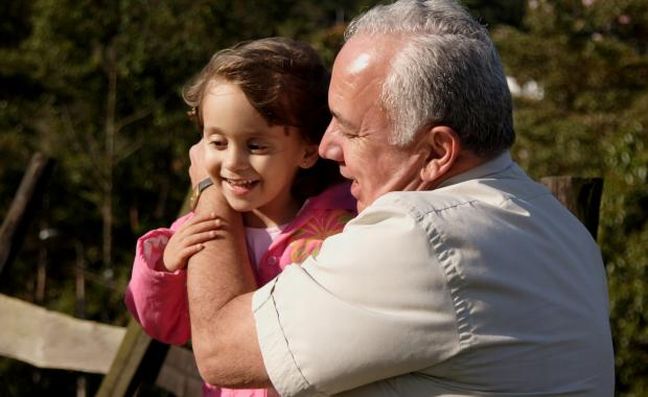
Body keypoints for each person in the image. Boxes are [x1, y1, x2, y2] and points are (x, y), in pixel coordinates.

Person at [184, 0, 615, 395]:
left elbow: (221, 351)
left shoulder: (421, 235)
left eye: (351, 130)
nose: (329, 147)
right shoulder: (558, 226)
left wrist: (208, 187)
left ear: (436, 152)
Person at [124, 37, 356, 397]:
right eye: (217, 143)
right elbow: (165, 325)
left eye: (255, 145)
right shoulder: (198, 229)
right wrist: (165, 267)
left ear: (308, 151)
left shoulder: (339, 225)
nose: (233, 162)